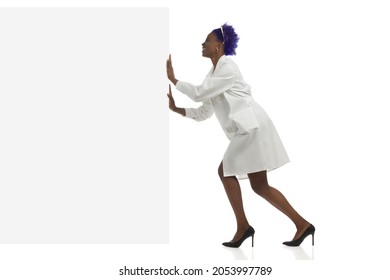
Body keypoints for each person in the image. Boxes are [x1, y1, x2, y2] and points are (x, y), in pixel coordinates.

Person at [166, 23, 315, 248]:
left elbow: (198, 94)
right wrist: (178, 109)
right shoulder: (213, 76)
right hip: (248, 129)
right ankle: (303, 225)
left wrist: (175, 80)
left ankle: (243, 227)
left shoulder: (228, 68)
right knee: (260, 186)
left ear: (219, 46)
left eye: (207, 40)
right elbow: (204, 110)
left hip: (252, 128)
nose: (203, 44)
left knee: (224, 171)